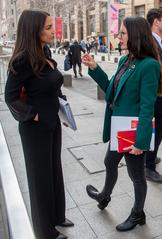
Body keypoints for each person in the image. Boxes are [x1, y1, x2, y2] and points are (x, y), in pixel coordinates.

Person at [82, 16, 161, 232]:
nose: (119, 37)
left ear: (135, 35)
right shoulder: (125, 61)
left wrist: (141, 141)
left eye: (123, 33)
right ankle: (104, 196)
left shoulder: (150, 65)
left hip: (133, 131)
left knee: (136, 175)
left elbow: (147, 107)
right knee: (109, 161)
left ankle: (137, 214)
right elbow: (111, 91)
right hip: (119, 128)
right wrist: (95, 68)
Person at [5, 9, 74, 239]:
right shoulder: (21, 59)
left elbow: (53, 85)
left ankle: (57, 216)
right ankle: (45, 230)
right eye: (47, 27)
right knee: (40, 177)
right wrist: (34, 115)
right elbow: (10, 96)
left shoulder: (44, 50)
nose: (52, 31)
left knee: (54, 170)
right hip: (35, 129)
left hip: (52, 122)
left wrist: (62, 109)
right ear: (33, 30)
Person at [145, 8, 162, 183]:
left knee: (158, 132)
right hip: (155, 96)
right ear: (156, 21)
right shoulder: (150, 42)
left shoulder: (159, 41)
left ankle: (150, 156)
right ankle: (148, 166)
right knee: (155, 133)